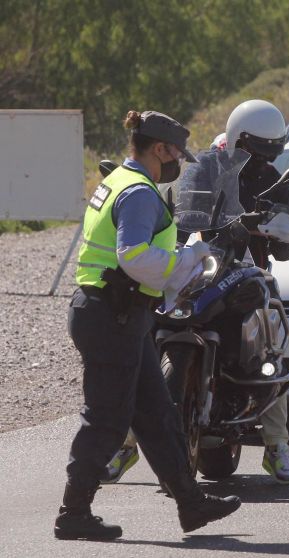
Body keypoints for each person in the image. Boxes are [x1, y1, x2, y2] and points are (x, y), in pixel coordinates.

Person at [57, 110, 241, 541]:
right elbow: (134, 256)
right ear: (160, 149)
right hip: (112, 314)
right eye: (176, 153)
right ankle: (73, 512)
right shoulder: (139, 192)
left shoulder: (117, 180)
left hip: (117, 312)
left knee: (157, 414)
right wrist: (189, 258)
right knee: (106, 418)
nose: (179, 161)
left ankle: (190, 504)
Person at [102, 100, 289, 486]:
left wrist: (278, 227)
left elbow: (287, 248)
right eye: (253, 150)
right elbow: (184, 214)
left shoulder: (273, 178)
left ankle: (277, 447)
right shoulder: (204, 167)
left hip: (246, 270)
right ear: (236, 138)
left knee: (270, 346)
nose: (259, 160)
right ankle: (125, 443)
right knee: (141, 340)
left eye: (267, 152)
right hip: (196, 265)